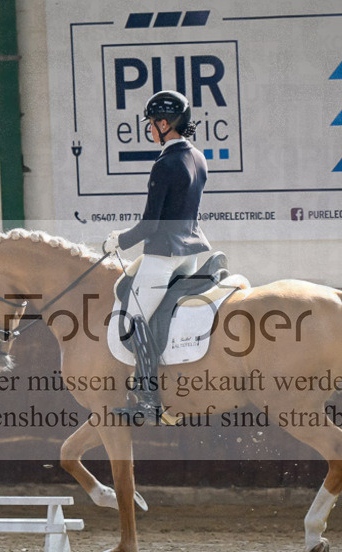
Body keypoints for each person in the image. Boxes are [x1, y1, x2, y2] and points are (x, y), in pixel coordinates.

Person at [103, 90, 211, 420]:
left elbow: (151, 224)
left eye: (152, 123)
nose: (150, 129)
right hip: (190, 254)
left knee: (133, 320)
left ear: (164, 124)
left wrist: (119, 240)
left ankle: (149, 401)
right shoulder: (198, 157)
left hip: (164, 255)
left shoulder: (165, 164)